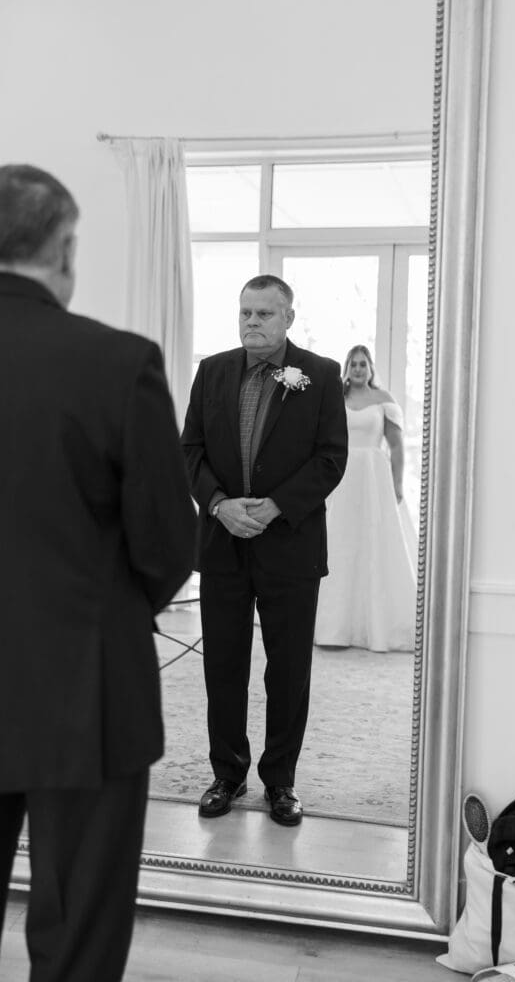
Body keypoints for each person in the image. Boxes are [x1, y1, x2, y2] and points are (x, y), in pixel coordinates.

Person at [0, 164, 197, 981]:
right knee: (78, 937)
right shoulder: (117, 362)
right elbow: (168, 543)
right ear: (64, 250)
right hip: (86, 696)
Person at [181, 274, 348, 827]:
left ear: (288, 319)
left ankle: (281, 782)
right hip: (223, 544)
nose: (252, 322)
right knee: (224, 666)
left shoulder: (318, 376)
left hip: (291, 548)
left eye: (264, 314)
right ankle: (226, 773)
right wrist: (219, 504)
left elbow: (330, 458)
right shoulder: (212, 370)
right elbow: (191, 451)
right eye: (245, 312)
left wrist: (276, 506)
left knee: (288, 669)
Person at [314, 344, 417, 652]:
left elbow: (396, 446)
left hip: (374, 477)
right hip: (342, 475)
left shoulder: (384, 401)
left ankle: (376, 624)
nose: (358, 369)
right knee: (339, 544)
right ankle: (332, 626)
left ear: (371, 368)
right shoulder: (336, 399)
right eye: (353, 364)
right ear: (347, 368)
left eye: (363, 364)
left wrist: (397, 483)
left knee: (373, 542)